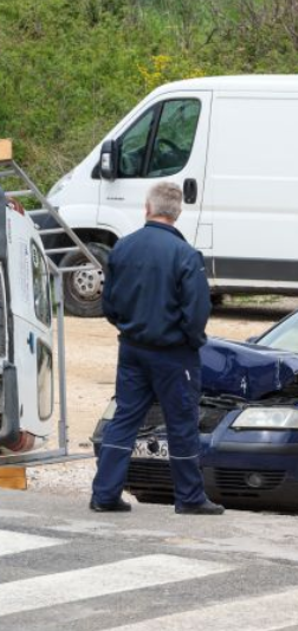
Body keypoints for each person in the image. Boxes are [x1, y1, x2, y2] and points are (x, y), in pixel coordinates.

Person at [91, 181, 224, 515]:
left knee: (125, 418)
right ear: (177, 212)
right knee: (181, 423)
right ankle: (189, 498)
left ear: (147, 209)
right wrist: (190, 342)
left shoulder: (123, 248)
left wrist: (128, 328)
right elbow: (196, 311)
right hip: (173, 354)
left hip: (132, 349)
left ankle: (104, 494)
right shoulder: (185, 254)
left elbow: (108, 304)